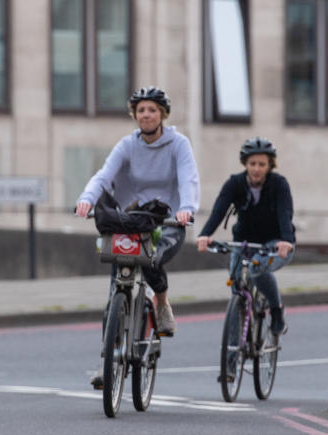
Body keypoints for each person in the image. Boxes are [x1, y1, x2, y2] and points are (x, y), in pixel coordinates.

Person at [76, 86, 199, 388]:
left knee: (153, 256)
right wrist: (87, 199)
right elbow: (104, 175)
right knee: (114, 293)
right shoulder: (127, 145)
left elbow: (188, 179)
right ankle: (107, 363)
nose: (146, 115)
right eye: (141, 110)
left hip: (168, 222)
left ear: (162, 115)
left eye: (152, 110)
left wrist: (186, 209)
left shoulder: (178, 144)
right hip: (131, 221)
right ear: (135, 114)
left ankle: (162, 303)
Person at [196, 137, 295, 335]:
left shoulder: (279, 184)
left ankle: (276, 311)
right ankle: (233, 358)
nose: (256, 169)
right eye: (252, 164)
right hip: (244, 242)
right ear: (245, 164)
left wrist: (286, 241)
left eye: (262, 164)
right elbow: (218, 211)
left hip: (275, 243)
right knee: (235, 283)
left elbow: (285, 214)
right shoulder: (235, 183)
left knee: (257, 269)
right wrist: (204, 235)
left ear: (270, 165)